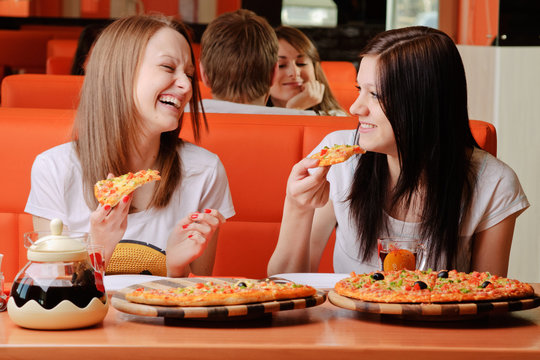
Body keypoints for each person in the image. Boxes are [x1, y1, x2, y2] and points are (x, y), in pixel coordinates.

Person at [267, 26, 529, 277]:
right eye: (360, 90)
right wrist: (297, 206)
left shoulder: (494, 183)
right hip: (348, 323)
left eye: (376, 95)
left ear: (424, 101)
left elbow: (487, 296)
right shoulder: (341, 163)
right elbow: (287, 282)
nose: (356, 108)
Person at [25, 15, 235, 277]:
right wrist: (99, 247)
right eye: (169, 68)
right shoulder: (53, 169)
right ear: (119, 73)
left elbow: (199, 296)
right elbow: (49, 299)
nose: (186, 85)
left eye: (189, 75)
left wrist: (176, 269)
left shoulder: (204, 170)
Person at [198, 9, 315, 115]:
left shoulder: (182, 122)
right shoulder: (321, 131)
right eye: (282, 65)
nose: (294, 72)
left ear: (204, 74)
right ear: (273, 74)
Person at [268, 26, 347, 116]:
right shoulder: (252, 116)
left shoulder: (336, 117)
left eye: (302, 63)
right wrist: (294, 110)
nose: (295, 73)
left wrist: (295, 110)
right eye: (281, 65)